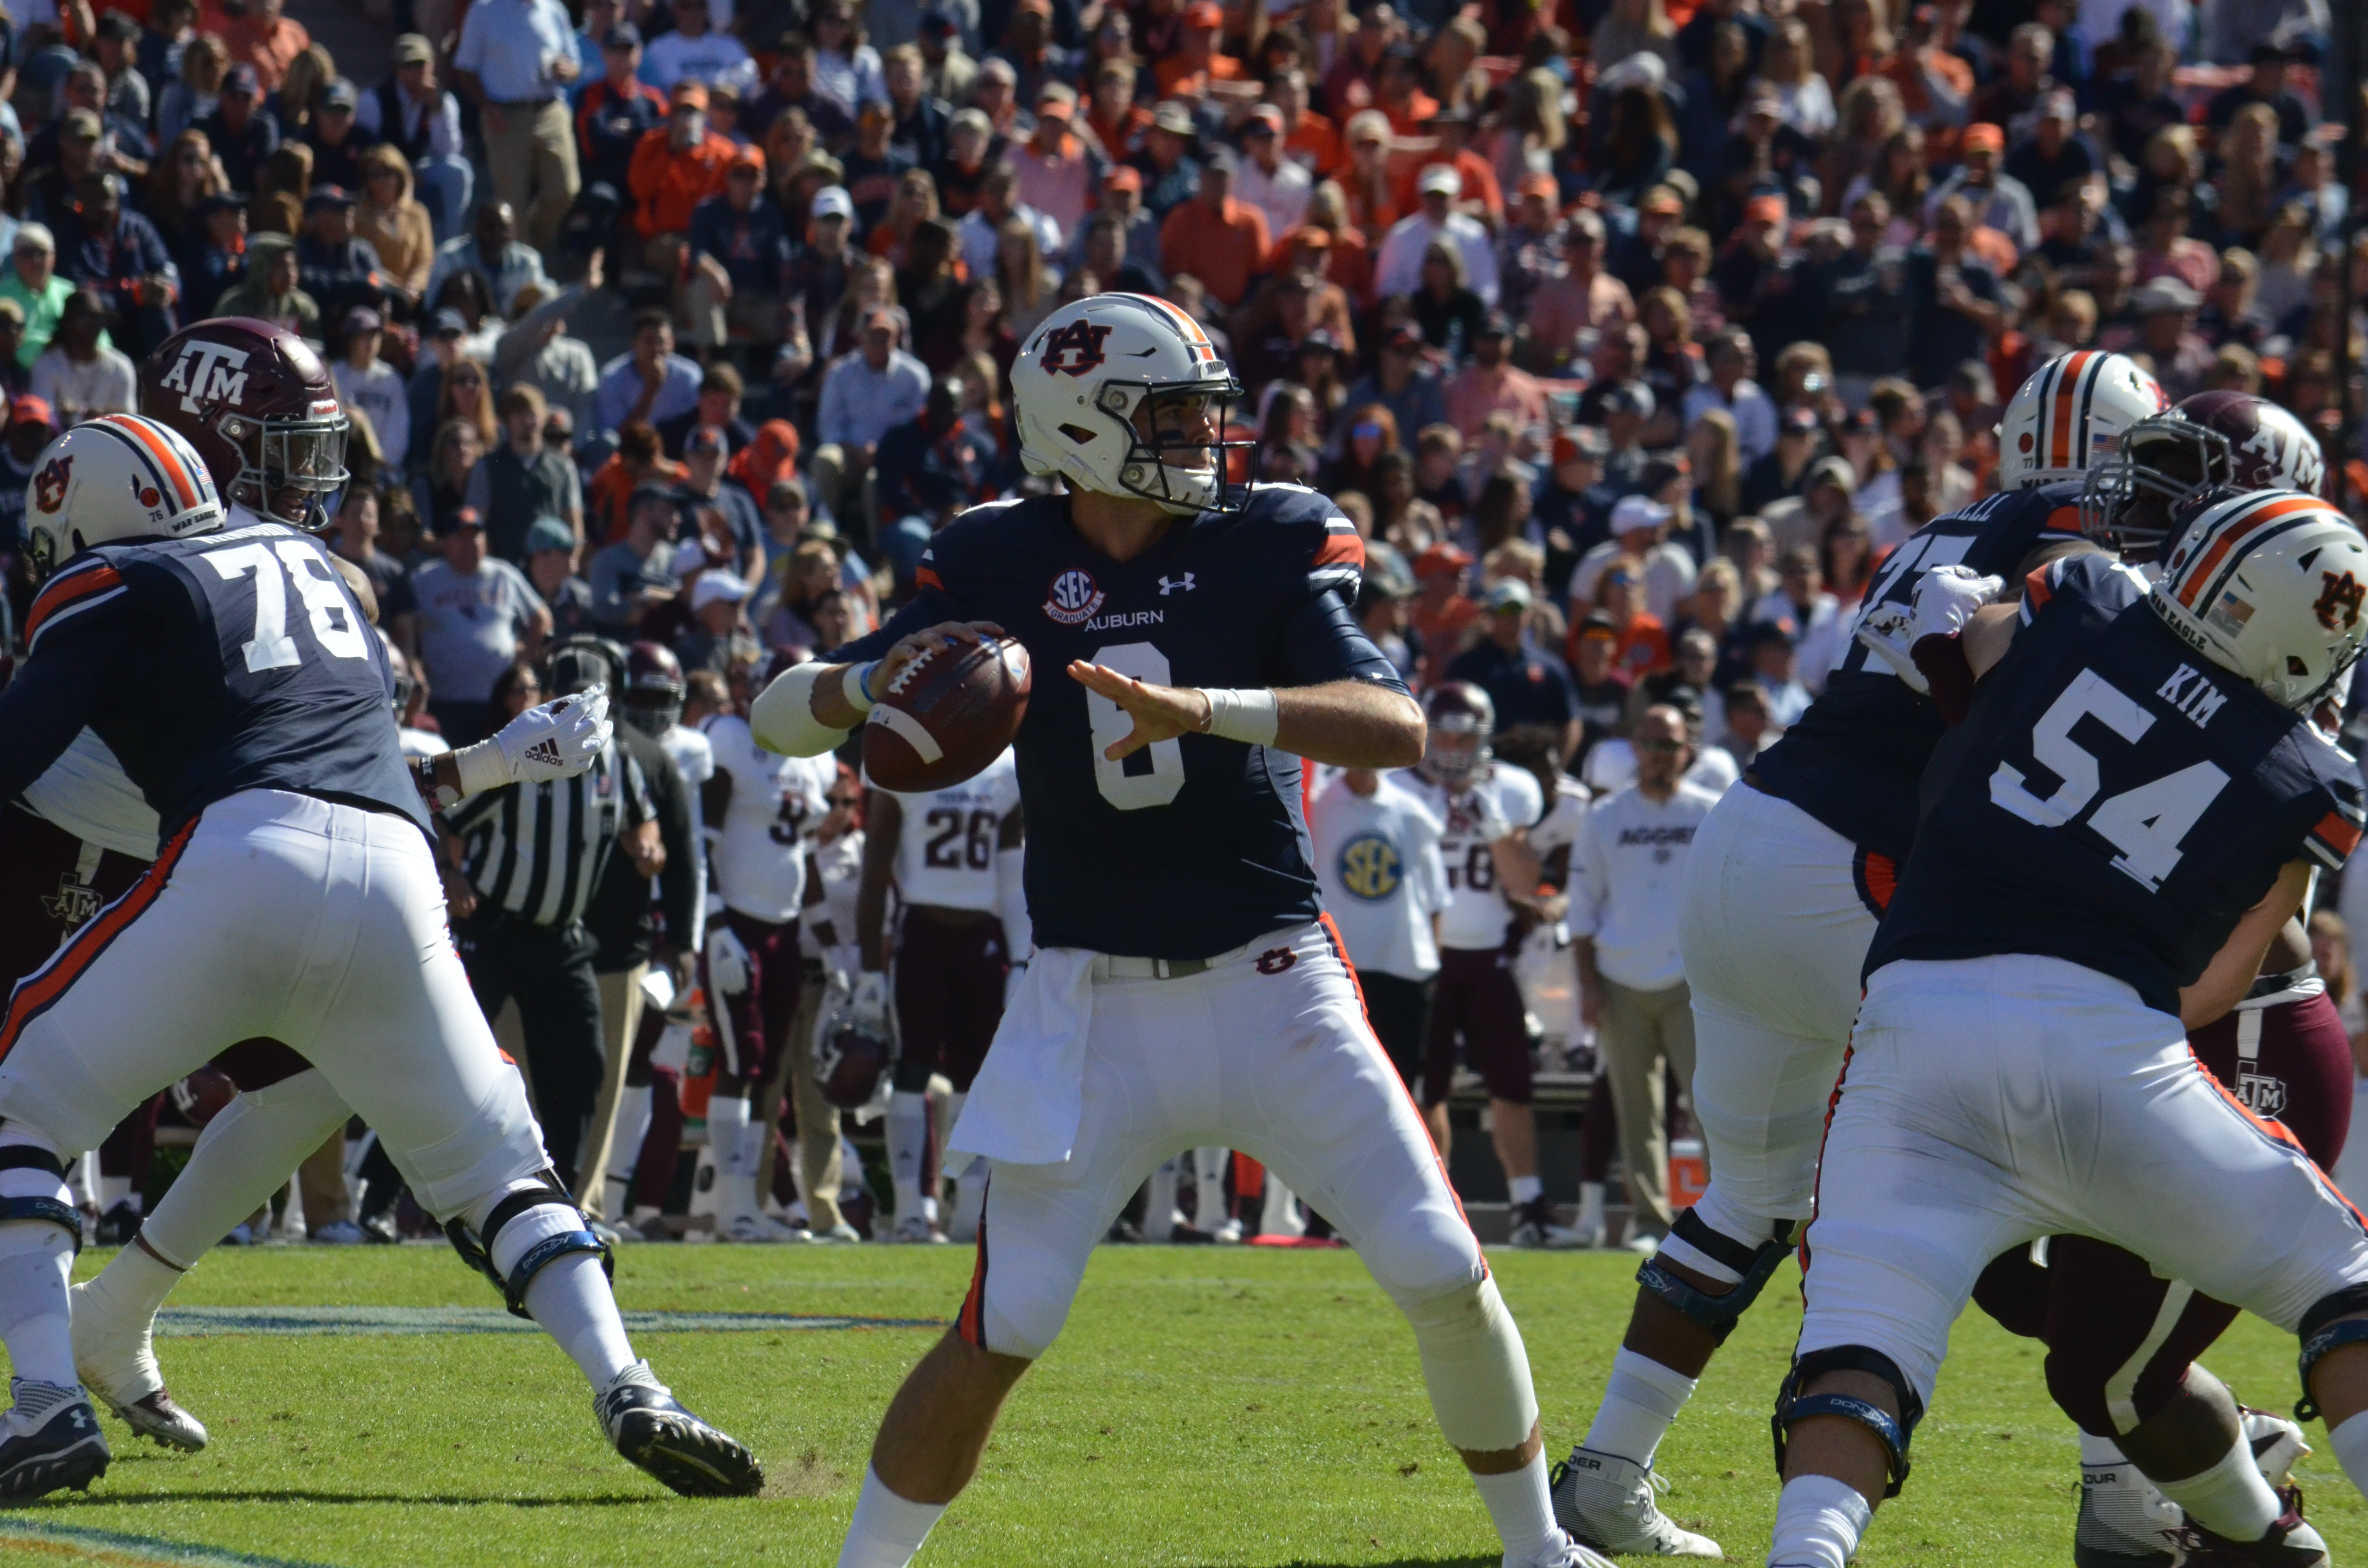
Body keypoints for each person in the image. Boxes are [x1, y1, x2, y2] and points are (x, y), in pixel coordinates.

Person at [758, 292, 1603, 1568]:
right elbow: (783, 714)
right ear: (1078, 428)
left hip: (1275, 980)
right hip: (1089, 999)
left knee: (1438, 1264)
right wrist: (876, 677)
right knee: (1009, 1316)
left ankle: (1539, 1551)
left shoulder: (1270, 539)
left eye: (1206, 416)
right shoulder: (989, 558)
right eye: (1169, 417)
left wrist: (1204, 710)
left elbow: (1394, 726)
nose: (1204, 442)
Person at [1548, 368, 2273, 1557]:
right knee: (2071, 1135)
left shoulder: (1950, 527)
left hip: (1751, 839)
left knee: (1748, 1198)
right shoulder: (2080, 545)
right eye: (2150, 461)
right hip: (1853, 864)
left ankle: (1607, 1472)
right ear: (2105, 457)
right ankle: (2122, 1478)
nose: (2164, 491)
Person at [0, 413, 760, 1499]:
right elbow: (351, 748)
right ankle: (631, 1380)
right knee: (501, 1166)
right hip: (397, 869)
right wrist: (494, 763)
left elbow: (30, 754)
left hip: (242, 853)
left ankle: (41, 1401)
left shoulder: (118, 578)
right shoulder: (321, 569)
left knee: (20, 1104)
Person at [1765, 474, 2368, 1564]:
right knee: (2341, 1283)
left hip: (1918, 1018)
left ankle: (1802, 1554)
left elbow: (1955, 646)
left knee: (1860, 1344)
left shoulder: (2081, 599)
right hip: (2109, 1040)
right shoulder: (2308, 777)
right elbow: (2222, 976)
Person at [1394, 683, 1574, 1251]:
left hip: (1490, 957)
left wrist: (1492, 822)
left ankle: (1529, 1205)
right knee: (1425, 1090)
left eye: (1463, 735)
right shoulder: (1398, 785)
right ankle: (1437, 1207)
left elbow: (1524, 882)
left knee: (1511, 1087)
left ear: (1483, 739)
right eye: (1442, 731)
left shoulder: (1511, 789)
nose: (1450, 745)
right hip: (1422, 960)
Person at [1567, 702, 1718, 1258]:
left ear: (1686, 750)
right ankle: (1651, 1221)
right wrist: (1586, 985)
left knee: (1710, 1104)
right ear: (1634, 749)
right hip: (1620, 981)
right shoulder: (1604, 817)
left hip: (1692, 982)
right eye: (1650, 744)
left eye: (1669, 745)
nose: (1659, 756)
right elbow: (1582, 910)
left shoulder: (1709, 812)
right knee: (1637, 1111)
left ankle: (1721, 1219)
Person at [858, 750, 1026, 1244]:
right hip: (921, 931)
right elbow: (875, 867)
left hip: (982, 934)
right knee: (911, 1068)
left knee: (975, 1078)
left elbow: (1012, 869)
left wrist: (1020, 959)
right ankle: (913, 1206)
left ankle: (969, 1206)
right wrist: (869, 966)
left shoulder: (1004, 767)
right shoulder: (902, 758)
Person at [410, 507, 552, 747]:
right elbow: (406, 626)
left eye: (475, 536)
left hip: (498, 703)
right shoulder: (425, 580)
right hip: (446, 700)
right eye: (461, 537)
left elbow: (542, 617)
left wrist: (524, 662)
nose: (470, 543)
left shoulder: (504, 576)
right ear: (445, 542)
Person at [453, 0, 582, 251]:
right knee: (512, 204)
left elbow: (574, 63)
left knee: (564, 190)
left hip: (551, 110)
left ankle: (529, 254)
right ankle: (524, 278)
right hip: (505, 114)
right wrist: (487, 107)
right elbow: (465, 68)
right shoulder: (484, 10)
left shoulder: (554, 9)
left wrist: (568, 70)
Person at [1447, 579, 1579, 763]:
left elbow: (1570, 722)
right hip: (1483, 763)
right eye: (1505, 610)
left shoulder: (1550, 667)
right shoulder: (1467, 666)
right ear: (1491, 614)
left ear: (1529, 614)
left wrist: (1556, 766)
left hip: (1535, 765)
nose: (1512, 617)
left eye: (1518, 610)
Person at [466, 383, 583, 561]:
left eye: (532, 414)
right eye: (519, 414)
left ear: (543, 418)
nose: (527, 420)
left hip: (551, 568)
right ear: (508, 421)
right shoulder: (488, 466)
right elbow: (477, 523)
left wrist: (570, 561)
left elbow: (574, 521)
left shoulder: (563, 467)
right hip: (506, 567)